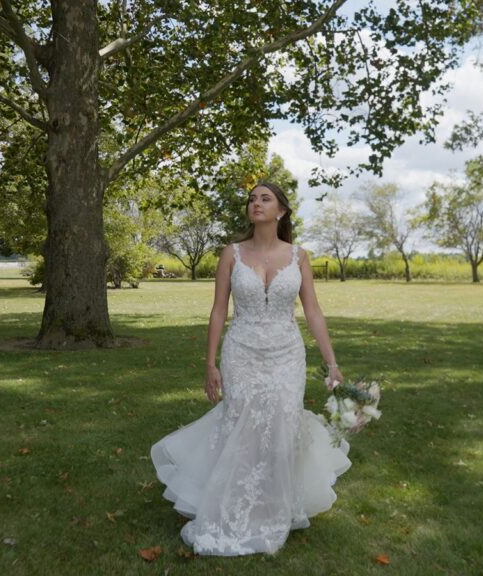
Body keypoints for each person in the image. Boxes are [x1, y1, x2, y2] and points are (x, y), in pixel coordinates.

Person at [149, 181, 353, 556]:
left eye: (265, 199)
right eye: (252, 199)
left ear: (282, 211)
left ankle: (273, 504)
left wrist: (332, 362)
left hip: (286, 354)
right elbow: (217, 311)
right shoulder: (231, 254)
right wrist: (209, 363)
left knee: (281, 423)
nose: (256, 204)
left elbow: (312, 311)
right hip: (241, 351)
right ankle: (233, 503)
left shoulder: (299, 257)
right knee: (241, 423)